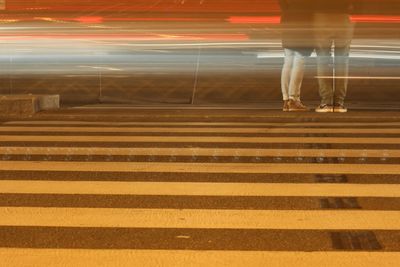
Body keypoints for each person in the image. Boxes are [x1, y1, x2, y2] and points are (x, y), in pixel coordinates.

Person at [313, 0, 355, 113]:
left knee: (322, 58)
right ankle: (338, 103)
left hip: (321, 14)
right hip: (344, 14)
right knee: (342, 60)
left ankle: (326, 102)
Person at [279, 0, 314, 112]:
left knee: (288, 62)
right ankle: (293, 99)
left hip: (288, 21)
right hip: (303, 21)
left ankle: (286, 100)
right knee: (299, 60)